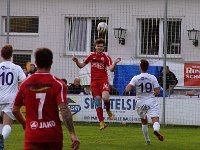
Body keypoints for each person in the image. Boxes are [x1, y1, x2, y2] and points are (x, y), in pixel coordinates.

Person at [12, 47, 80, 150]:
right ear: (51, 62)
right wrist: (72, 134)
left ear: (36, 62)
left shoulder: (25, 84)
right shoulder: (58, 84)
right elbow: (64, 110)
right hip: (53, 137)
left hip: (33, 136)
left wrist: (26, 124)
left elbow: (15, 109)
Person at [72, 38, 121, 130]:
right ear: (95, 47)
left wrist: (114, 63)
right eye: (98, 46)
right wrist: (76, 61)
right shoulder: (91, 56)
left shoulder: (106, 57)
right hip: (94, 82)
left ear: (103, 47)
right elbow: (81, 65)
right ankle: (101, 122)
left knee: (105, 97)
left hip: (103, 81)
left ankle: (108, 110)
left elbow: (111, 69)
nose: (99, 48)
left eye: (101, 46)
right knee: (98, 100)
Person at [124, 59, 164, 145]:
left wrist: (131, 90)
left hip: (140, 102)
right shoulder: (152, 77)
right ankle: (156, 130)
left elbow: (127, 89)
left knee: (144, 121)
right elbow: (157, 92)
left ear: (140, 67)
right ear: (147, 68)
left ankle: (148, 141)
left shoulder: (136, 78)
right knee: (155, 119)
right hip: (151, 101)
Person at [0, 44, 26, 149]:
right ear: (11, 55)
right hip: (10, 99)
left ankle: (1, 144)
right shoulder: (16, 68)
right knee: (7, 125)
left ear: (1, 54)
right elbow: (24, 81)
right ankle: (1, 139)